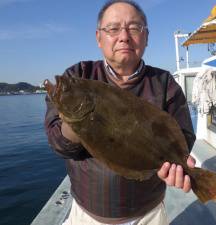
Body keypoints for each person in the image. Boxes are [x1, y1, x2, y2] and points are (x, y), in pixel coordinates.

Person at [44, 0, 196, 224]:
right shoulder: (78, 75)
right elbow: (57, 143)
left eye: (134, 28)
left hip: (148, 214)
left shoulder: (164, 83)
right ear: (98, 37)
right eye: (113, 29)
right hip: (87, 215)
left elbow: (184, 136)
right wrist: (78, 124)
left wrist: (176, 165)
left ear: (146, 37)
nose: (124, 36)